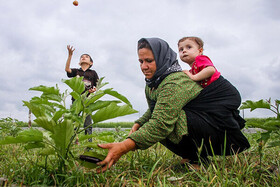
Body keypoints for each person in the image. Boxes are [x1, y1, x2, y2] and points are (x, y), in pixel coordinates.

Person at [97, 38, 250, 172]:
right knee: (154, 122)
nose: (144, 67)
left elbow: (161, 123)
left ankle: (198, 158)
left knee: (169, 122)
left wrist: (124, 147)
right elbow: (154, 109)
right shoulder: (153, 83)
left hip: (216, 127)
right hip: (201, 121)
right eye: (141, 61)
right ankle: (192, 155)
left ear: (162, 58)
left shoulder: (174, 81)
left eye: (149, 61)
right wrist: (139, 123)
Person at [65, 45, 99, 141]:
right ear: (79, 62)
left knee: (88, 122)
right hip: (76, 100)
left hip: (87, 100)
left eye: (86, 57)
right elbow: (67, 70)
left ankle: (89, 143)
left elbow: (97, 84)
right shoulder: (76, 71)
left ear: (91, 62)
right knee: (74, 121)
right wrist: (70, 55)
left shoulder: (93, 73)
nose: (84, 57)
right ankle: (71, 141)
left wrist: (94, 90)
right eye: (82, 57)